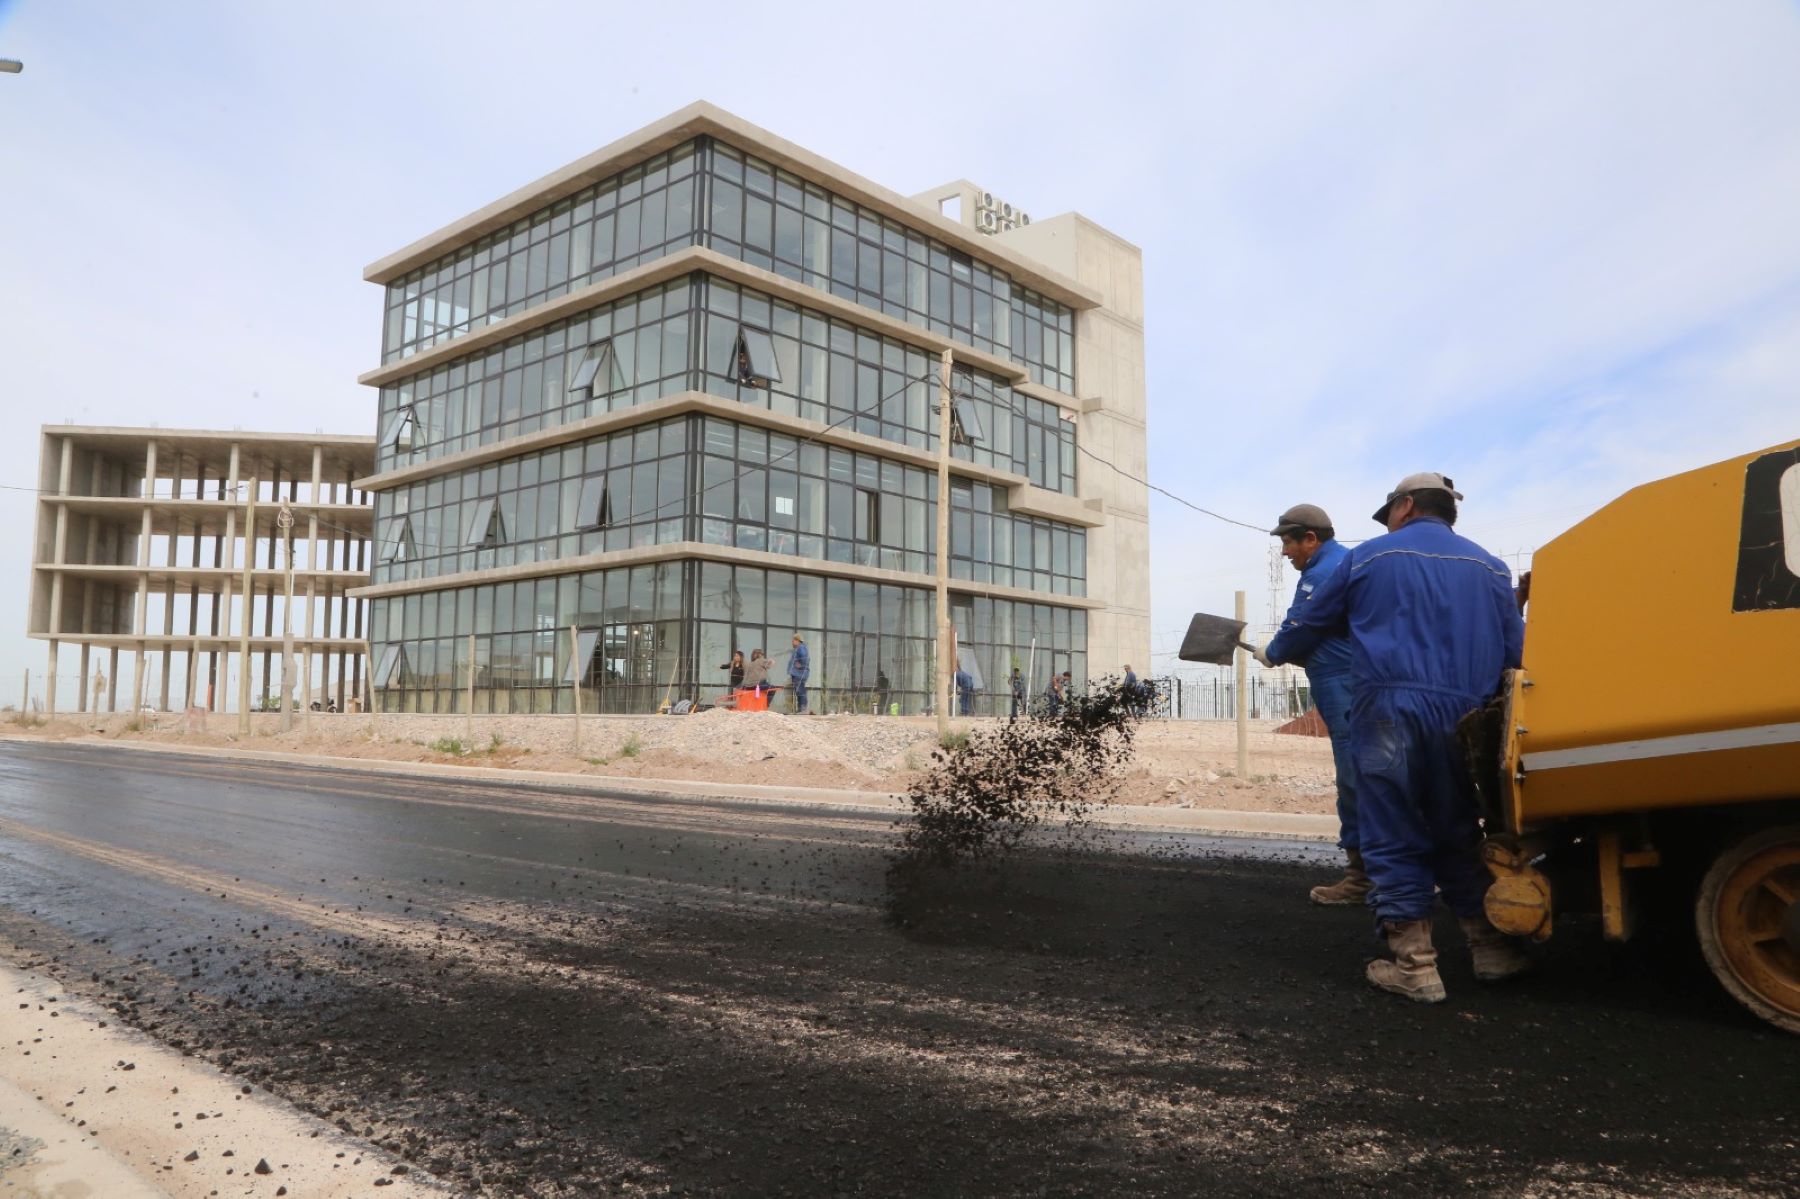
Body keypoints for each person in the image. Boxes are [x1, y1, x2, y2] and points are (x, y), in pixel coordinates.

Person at [1273, 473, 1530, 1004]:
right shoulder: (1490, 567)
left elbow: (1311, 623)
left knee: (1391, 827)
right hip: (1466, 718)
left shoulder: (1369, 558)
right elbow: (1516, 655)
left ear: (1406, 506)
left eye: (1388, 512)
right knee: (1458, 827)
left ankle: (1415, 967)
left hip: (1390, 710)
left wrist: (1276, 651)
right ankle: (1491, 950)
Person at [1246, 504, 1366, 906]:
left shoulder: (1323, 572)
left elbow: (1304, 624)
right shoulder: (1346, 562)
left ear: (1310, 539)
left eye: (1288, 542)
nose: (1284, 552)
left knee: (1353, 776)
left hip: (1342, 682)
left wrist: (1274, 651)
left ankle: (1362, 877)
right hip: (1349, 675)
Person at [788, 635, 811, 714]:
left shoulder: (801, 647)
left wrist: (802, 665)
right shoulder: (798, 648)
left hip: (799, 673)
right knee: (798, 690)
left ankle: (803, 708)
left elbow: (805, 658)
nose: (792, 642)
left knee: (800, 690)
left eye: (793, 640)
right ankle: (800, 709)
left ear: (797, 640)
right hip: (797, 673)